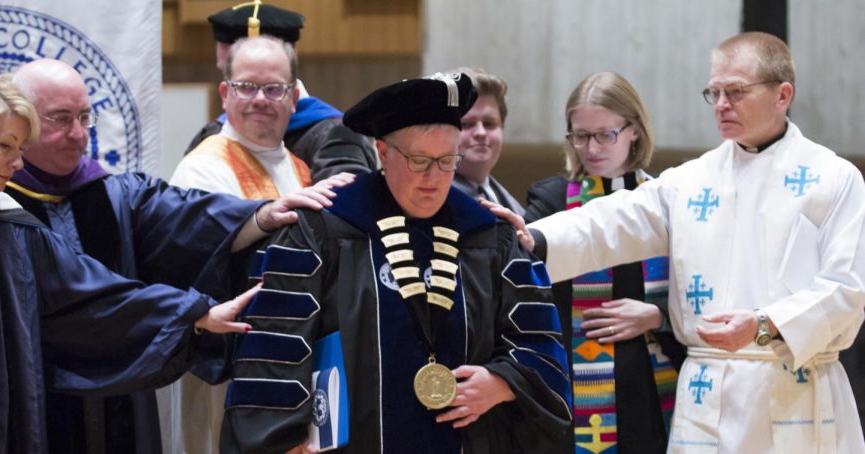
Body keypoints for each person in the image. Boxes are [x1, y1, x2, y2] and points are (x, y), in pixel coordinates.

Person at [490, 32, 865, 453]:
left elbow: (845, 290)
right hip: (706, 393)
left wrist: (763, 324)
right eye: (715, 92)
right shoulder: (693, 180)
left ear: (783, 95)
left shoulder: (833, 179)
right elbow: (615, 219)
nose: (721, 104)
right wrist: (537, 237)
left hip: (793, 389)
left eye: (736, 92)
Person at [218, 72, 572, 454]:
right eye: (419, 159)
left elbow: (539, 342)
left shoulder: (490, 236)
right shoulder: (321, 229)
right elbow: (274, 347)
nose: (434, 177)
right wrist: (283, 440)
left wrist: (504, 381)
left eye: (447, 159)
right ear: (382, 152)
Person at [2, 58, 344, 454]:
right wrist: (190, 311)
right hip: (29, 391)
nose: (78, 134)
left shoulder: (114, 195)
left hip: (118, 398)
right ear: (21, 121)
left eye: (84, 117)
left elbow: (187, 216)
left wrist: (261, 215)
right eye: (61, 119)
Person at [0, 68, 262, 454]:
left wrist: (193, 312)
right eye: (6, 146)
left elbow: (89, 292)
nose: (17, 162)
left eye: (85, 118)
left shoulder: (6, 222)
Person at [524, 72, 684, 453]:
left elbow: (707, 295)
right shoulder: (550, 201)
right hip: (577, 397)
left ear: (634, 130)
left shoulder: (669, 201)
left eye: (604, 134)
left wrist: (658, 315)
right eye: (580, 135)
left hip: (652, 390)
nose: (591, 148)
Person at [185, 1, 376, 180]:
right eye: (244, 84)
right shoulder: (211, 136)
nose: (257, 99)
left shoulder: (335, 135)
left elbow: (349, 206)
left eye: (271, 86)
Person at [173, 35, 314, 198]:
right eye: (246, 87)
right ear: (225, 95)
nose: (260, 99)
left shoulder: (301, 170)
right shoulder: (202, 169)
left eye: (274, 88)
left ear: (294, 100)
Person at [450, 68, 524, 215]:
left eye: (489, 124)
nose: (481, 133)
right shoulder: (428, 202)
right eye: (466, 124)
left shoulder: (516, 208)